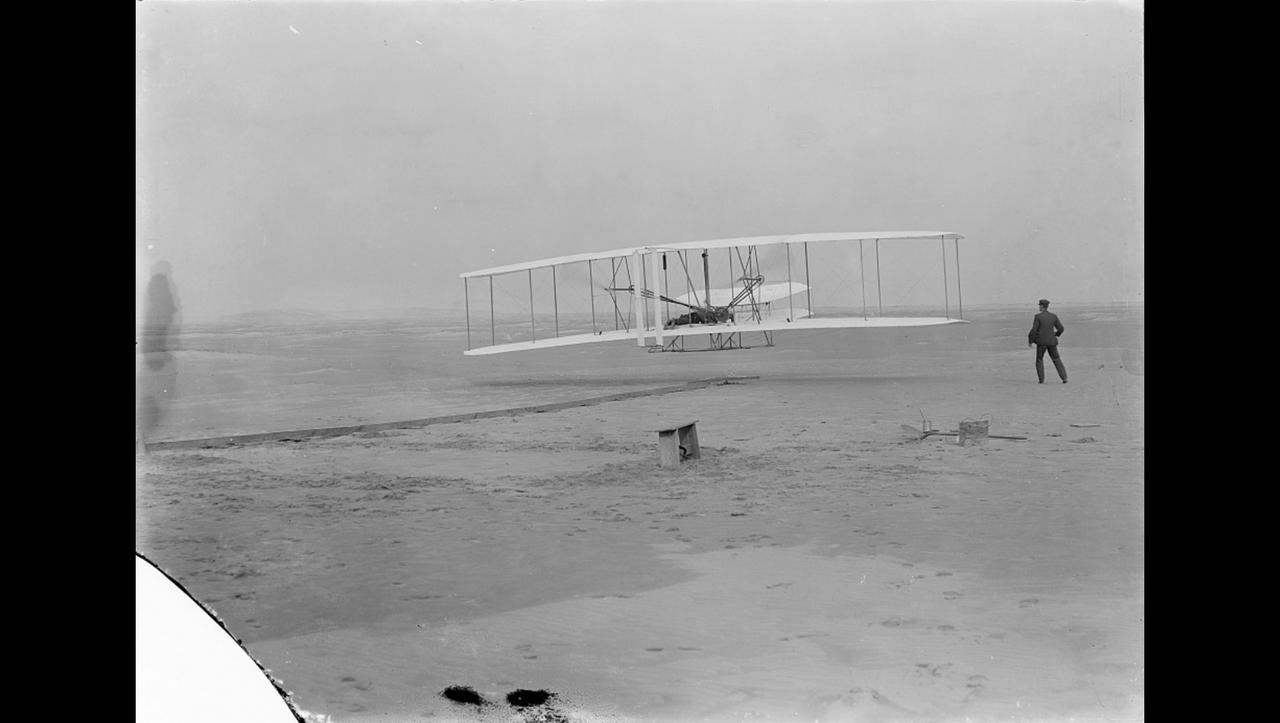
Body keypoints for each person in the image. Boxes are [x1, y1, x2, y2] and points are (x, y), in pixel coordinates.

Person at [1027, 298, 1068, 384]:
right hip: (1052, 341)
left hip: (1041, 342)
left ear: (1042, 306)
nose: (1039, 307)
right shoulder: (1053, 316)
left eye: (1040, 306)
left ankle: (1041, 380)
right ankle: (1064, 378)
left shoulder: (1038, 316)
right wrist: (1055, 334)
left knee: (1039, 359)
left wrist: (1030, 340)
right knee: (1056, 359)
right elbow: (1061, 328)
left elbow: (1034, 330)